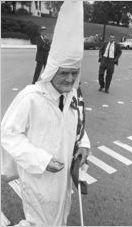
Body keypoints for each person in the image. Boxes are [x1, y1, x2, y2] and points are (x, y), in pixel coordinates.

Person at [1, 0, 90, 226]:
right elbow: (8, 134)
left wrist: (83, 146)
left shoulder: (73, 98)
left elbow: (77, 126)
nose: (70, 80)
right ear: (52, 71)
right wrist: (41, 160)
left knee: (60, 218)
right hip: (39, 178)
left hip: (63, 182)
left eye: (74, 73)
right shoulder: (31, 97)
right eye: (64, 73)